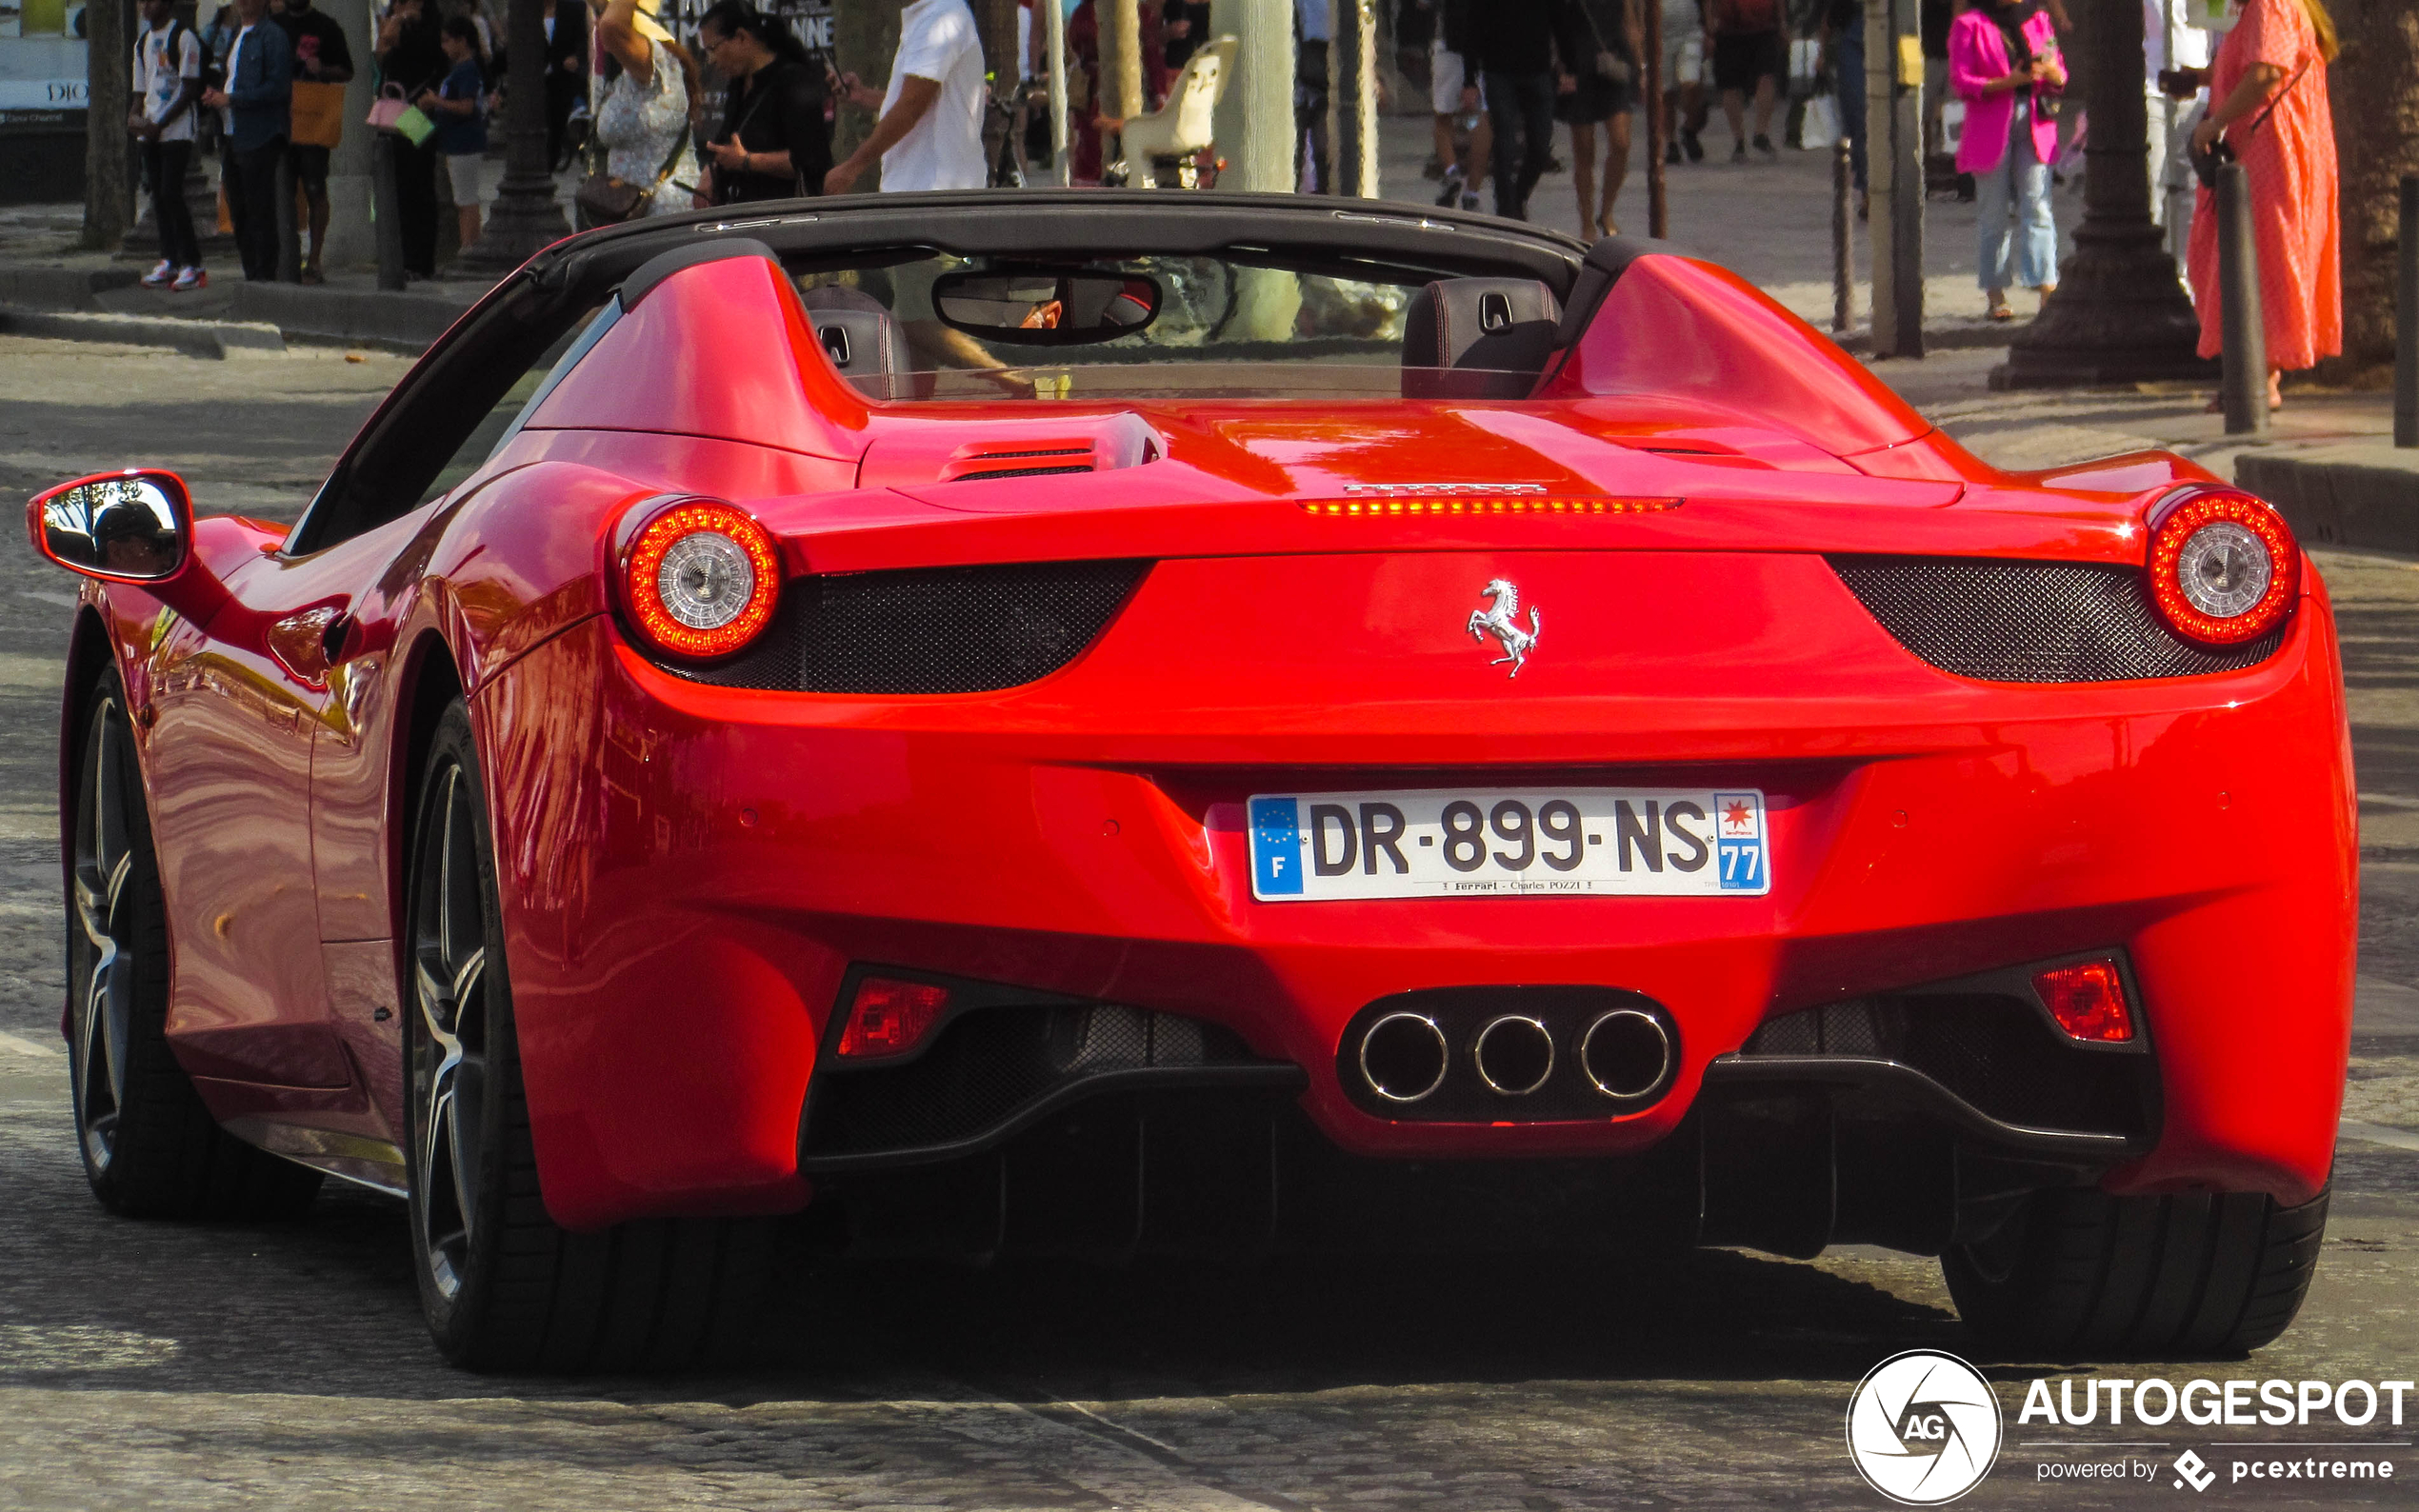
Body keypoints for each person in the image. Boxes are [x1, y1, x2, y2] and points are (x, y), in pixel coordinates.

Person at [2184, 0, 2338, 412]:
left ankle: (2260, 377)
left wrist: (2215, 124)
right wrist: (2205, 80)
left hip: (2270, 149)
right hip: (2270, 145)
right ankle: (2256, 374)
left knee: (2261, 255)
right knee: (2255, 254)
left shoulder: (2271, 4)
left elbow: (2269, 71)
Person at [1949, 0, 2063, 321]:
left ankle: (2046, 288)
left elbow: (2060, 69)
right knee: (1993, 213)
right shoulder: (1969, 23)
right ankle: (1996, 292)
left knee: (2038, 206)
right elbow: (1961, 81)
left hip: (2036, 121)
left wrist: (2052, 72)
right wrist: (2008, 83)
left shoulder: (2038, 19)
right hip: (1990, 125)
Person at [826, 0, 986, 195]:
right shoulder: (932, 15)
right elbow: (922, 100)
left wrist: (851, 168)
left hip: (932, 192)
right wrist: (865, 96)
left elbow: (911, 107)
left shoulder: (940, 20)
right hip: (925, 191)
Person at [695, 2, 829, 203]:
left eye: (713, 49)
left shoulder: (793, 81)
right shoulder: (738, 84)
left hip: (784, 217)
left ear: (741, 37)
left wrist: (748, 161)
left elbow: (812, 160)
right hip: (739, 214)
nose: (711, 60)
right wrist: (711, 170)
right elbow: (726, 142)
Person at [200, 0, 290, 282]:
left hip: (259, 133)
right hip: (230, 133)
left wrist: (232, 99)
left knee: (259, 209)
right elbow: (231, 77)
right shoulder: (235, 33)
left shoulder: (272, 36)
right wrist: (216, 96)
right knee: (238, 209)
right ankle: (251, 273)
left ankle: (265, 275)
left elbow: (277, 88)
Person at [585, 0, 696, 214]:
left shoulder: (655, 64)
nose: (598, 21)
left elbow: (612, 27)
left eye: (603, 12)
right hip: (627, 209)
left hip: (660, 213)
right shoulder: (628, 75)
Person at [269, 0, 350, 284]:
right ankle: (285, 258)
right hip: (279, 121)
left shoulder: (327, 27)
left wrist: (323, 69)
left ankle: (314, 260)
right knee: (281, 191)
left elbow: (347, 71)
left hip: (314, 120)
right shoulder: (272, 25)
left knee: (316, 188)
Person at [129, 0, 207, 290]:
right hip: (149, 133)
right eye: (141, 2)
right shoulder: (142, 43)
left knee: (171, 193)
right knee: (158, 199)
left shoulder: (183, 37)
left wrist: (159, 123)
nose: (145, 6)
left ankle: (193, 264)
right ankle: (169, 259)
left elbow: (189, 88)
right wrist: (135, 116)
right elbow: (141, 89)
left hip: (176, 131)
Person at [1465, 0, 1561, 220]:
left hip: (1537, 70)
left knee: (1540, 146)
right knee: (1504, 141)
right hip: (1499, 71)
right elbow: (1473, 26)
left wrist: (1570, 66)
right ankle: (1507, 207)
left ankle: (1519, 194)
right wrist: (1469, 79)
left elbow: (1558, 17)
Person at [1557, 0, 1642, 237]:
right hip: (1578, 60)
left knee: (1621, 143)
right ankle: (1586, 221)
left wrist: (1640, 67)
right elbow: (1557, 24)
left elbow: (1630, 23)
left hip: (1614, 59)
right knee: (1584, 150)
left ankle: (1606, 212)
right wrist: (1561, 66)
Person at [376, 0, 446, 277]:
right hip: (396, 110)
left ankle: (419, 261)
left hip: (416, 112)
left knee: (418, 185)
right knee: (399, 186)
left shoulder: (428, 27)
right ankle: (404, 257)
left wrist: (399, 19)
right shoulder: (402, 18)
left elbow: (389, 36)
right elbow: (382, 45)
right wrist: (400, 15)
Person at [415, 15, 488, 250]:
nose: (444, 47)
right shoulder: (459, 70)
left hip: (464, 142)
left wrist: (437, 101)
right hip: (454, 142)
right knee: (463, 199)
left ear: (462, 41)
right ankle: (469, 244)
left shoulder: (467, 70)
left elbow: (466, 106)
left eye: (448, 41)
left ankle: (469, 245)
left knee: (466, 200)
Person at [1429, 0, 1490, 210]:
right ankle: (1472, 192)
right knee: (1483, 117)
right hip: (1485, 43)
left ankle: (1451, 171)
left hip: (1449, 41)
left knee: (1443, 116)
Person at [1707, 0, 1783, 162]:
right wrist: (1710, 29)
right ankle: (1739, 140)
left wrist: (1782, 23)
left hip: (1764, 27)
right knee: (1730, 86)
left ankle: (1760, 133)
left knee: (1766, 77)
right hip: (1729, 29)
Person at [1820, 0, 1864, 215]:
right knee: (1858, 118)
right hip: (1853, 35)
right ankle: (1869, 193)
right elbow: (1831, 15)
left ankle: (1880, 190)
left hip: (1891, 33)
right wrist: (1821, 51)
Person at [542, 0, 589, 170]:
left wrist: (577, 57)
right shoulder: (530, 12)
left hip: (564, 74)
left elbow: (584, 36)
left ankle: (550, 164)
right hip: (538, 76)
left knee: (556, 121)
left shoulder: (572, 7)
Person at [1659, 0, 1707, 164]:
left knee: (1691, 83)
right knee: (1666, 93)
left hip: (1690, 33)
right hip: (1660, 37)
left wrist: (1709, 28)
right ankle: (1671, 143)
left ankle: (1689, 127)